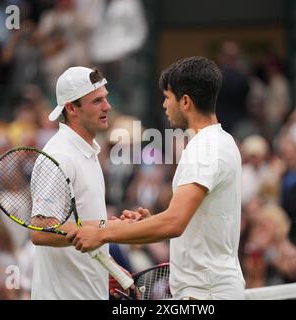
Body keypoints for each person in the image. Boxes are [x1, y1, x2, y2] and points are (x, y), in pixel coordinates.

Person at [68, 56, 245, 300]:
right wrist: (147, 224)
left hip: (206, 294)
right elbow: (189, 221)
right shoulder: (220, 141)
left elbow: (174, 223)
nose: (164, 105)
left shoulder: (205, 149)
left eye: (167, 97)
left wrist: (101, 234)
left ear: (185, 102)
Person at [30, 66, 118, 300]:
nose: (107, 107)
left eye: (105, 99)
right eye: (97, 101)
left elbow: (84, 226)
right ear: (71, 108)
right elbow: (40, 230)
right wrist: (110, 229)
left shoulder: (86, 151)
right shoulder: (59, 156)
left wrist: (111, 268)